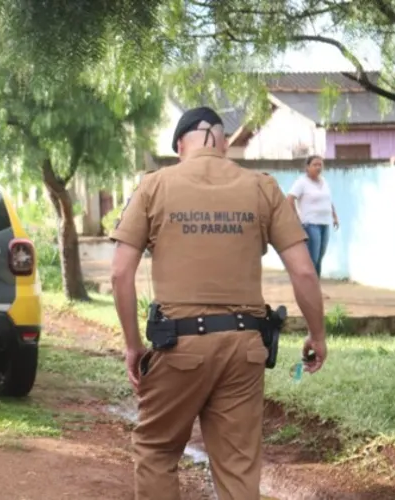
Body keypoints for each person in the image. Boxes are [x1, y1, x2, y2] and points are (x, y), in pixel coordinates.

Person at [110, 107, 328, 500]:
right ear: (223, 141)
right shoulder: (263, 188)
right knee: (238, 468)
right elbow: (305, 272)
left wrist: (132, 345)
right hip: (244, 350)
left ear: (181, 145)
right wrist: (317, 335)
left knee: (157, 449)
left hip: (177, 347)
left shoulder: (153, 186)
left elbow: (120, 273)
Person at [287, 155, 340, 276]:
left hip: (325, 223)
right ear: (307, 167)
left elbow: (328, 200)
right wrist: (296, 219)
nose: (318, 167)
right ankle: (309, 290)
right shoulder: (302, 182)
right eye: (315, 165)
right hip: (310, 224)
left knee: (320, 258)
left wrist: (334, 216)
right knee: (312, 258)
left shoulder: (324, 181)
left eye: (320, 165)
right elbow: (289, 199)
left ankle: (316, 290)